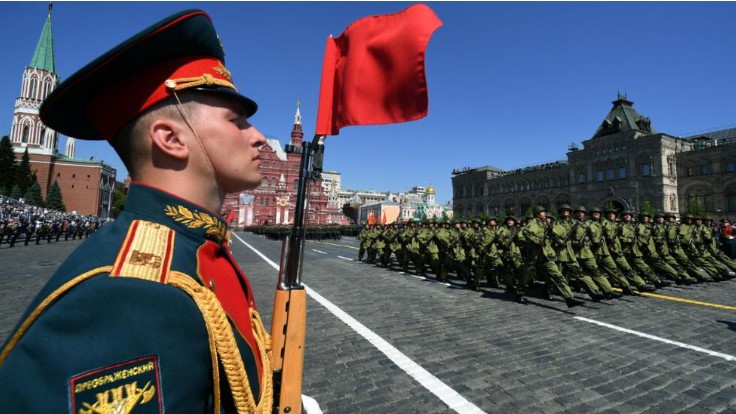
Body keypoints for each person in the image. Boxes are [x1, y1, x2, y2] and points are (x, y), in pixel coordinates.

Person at [0, 10, 320, 413]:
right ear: (170, 139)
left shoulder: (194, 249)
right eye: (236, 121)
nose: (258, 137)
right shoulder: (131, 297)